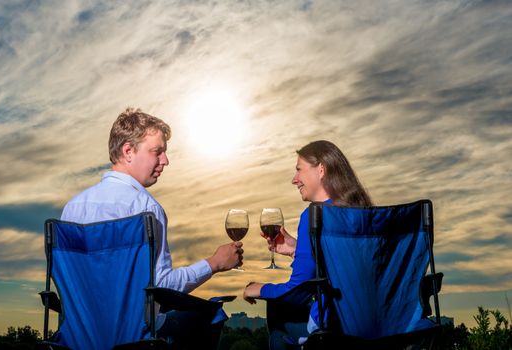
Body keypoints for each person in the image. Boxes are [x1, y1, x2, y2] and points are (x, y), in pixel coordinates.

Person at [61, 107, 243, 349]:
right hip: (135, 338)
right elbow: (162, 286)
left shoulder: (72, 209)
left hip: (78, 339)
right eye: (157, 152)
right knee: (211, 314)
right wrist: (214, 263)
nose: (165, 160)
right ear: (128, 151)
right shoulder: (146, 208)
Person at [243, 140, 372, 349]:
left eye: (298, 170)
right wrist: (298, 248)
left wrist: (257, 289)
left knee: (278, 316)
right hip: (384, 329)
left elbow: (297, 292)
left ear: (321, 169)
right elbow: (346, 266)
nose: (294, 180)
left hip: (336, 332)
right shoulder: (365, 214)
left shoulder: (315, 216)